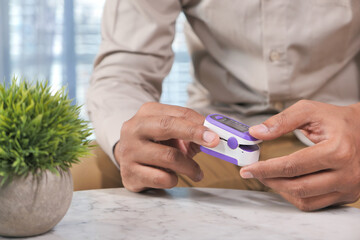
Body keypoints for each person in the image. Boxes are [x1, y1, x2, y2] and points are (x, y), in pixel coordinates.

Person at [86, 0, 360, 211]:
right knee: (59, 182)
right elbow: (124, 67)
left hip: (343, 139)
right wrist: (126, 144)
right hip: (208, 144)